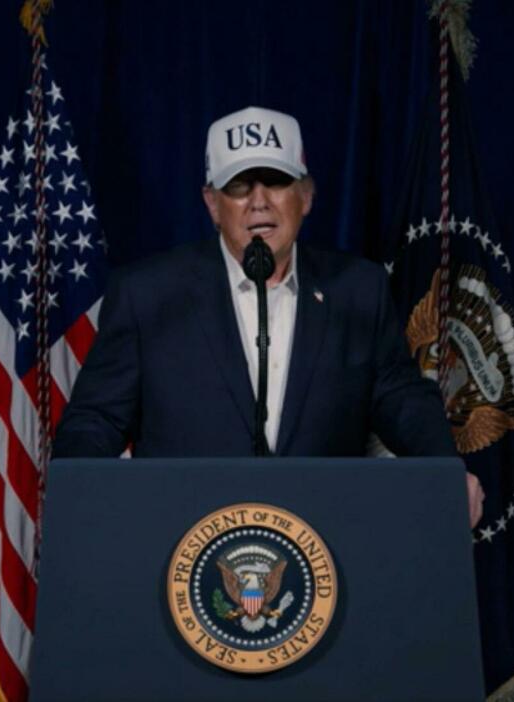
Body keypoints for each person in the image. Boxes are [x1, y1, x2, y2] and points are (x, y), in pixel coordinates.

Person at [53, 106, 483, 526]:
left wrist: (445, 471)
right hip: (182, 544)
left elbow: (403, 399)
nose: (258, 203)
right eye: (238, 186)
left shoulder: (357, 290)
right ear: (212, 204)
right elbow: (97, 419)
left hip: (324, 542)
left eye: (276, 182)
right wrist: (77, 492)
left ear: (306, 196)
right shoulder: (147, 295)